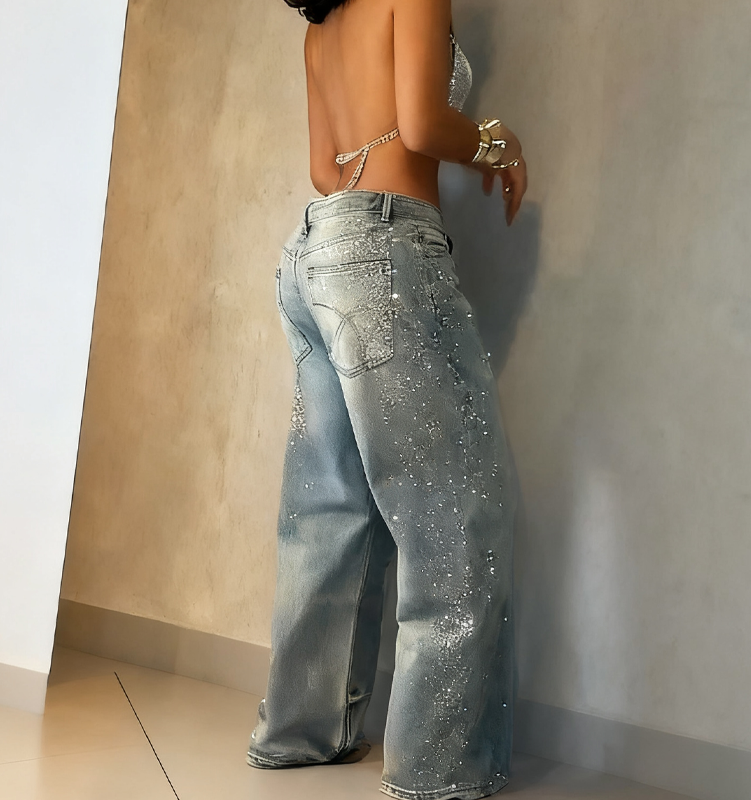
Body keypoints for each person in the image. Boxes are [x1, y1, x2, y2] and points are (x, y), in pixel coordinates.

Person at [247, 1, 528, 798]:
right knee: (454, 513)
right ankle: (436, 771)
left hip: (312, 252)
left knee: (326, 512)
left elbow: (324, 169)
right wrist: (497, 142)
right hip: (385, 253)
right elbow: (422, 125)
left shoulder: (320, 29)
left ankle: (297, 732)